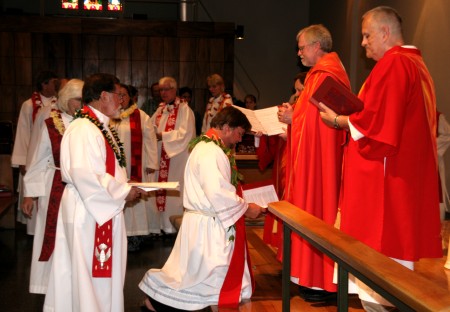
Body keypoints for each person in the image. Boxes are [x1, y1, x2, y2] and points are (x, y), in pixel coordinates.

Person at [319, 6, 442, 311]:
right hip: (404, 177)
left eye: (366, 35)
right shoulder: (416, 63)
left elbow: (379, 126)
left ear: (385, 33)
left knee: (380, 277)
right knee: (394, 277)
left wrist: (338, 120)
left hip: (386, 182)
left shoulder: (395, 64)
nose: (362, 43)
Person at [139, 106, 264, 311]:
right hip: (207, 223)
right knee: (204, 273)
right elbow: (217, 192)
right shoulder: (210, 151)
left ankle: (158, 303)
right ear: (226, 127)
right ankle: (157, 303)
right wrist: (246, 207)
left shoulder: (207, 147)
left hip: (204, 220)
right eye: (239, 134)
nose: (240, 140)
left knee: (198, 273)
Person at [43, 73, 147, 312]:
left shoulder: (98, 125)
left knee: (91, 273)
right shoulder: (84, 128)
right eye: (118, 95)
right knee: (88, 272)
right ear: (103, 96)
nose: (122, 101)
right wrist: (123, 192)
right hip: (89, 210)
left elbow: (103, 169)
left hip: (96, 207)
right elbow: (84, 174)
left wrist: (125, 185)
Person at [278, 24, 350, 302]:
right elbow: (310, 117)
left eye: (302, 47)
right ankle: (310, 278)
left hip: (321, 164)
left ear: (317, 46)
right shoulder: (319, 75)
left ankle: (320, 282)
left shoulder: (325, 74)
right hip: (313, 158)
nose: (299, 53)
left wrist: (293, 119)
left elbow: (322, 123)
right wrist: (294, 115)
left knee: (318, 214)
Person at [21, 79, 83, 295]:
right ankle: (50, 283)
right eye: (79, 100)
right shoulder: (50, 123)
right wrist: (29, 195)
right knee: (54, 234)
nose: (83, 105)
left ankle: (77, 281)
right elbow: (38, 158)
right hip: (54, 184)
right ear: (67, 99)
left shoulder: (88, 124)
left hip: (82, 188)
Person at [110, 84, 158, 252]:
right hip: (115, 167)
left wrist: (152, 163)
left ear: (130, 97)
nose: (121, 98)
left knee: (135, 197)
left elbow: (151, 140)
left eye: (124, 95)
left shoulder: (141, 116)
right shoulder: (109, 115)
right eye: (118, 94)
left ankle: (136, 234)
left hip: (135, 165)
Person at [12, 70, 59, 235]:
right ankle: (35, 234)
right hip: (34, 157)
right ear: (44, 84)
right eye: (54, 82)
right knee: (33, 192)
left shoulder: (58, 104)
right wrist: (23, 161)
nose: (56, 85)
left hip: (52, 161)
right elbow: (23, 133)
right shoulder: (29, 105)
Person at [149, 77, 196, 234]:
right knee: (160, 190)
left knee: (174, 193)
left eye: (167, 89)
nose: (163, 92)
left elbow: (186, 134)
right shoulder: (160, 109)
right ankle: (160, 225)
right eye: (161, 90)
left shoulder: (184, 109)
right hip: (161, 156)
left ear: (175, 90)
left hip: (176, 159)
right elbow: (150, 127)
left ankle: (172, 227)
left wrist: (163, 136)